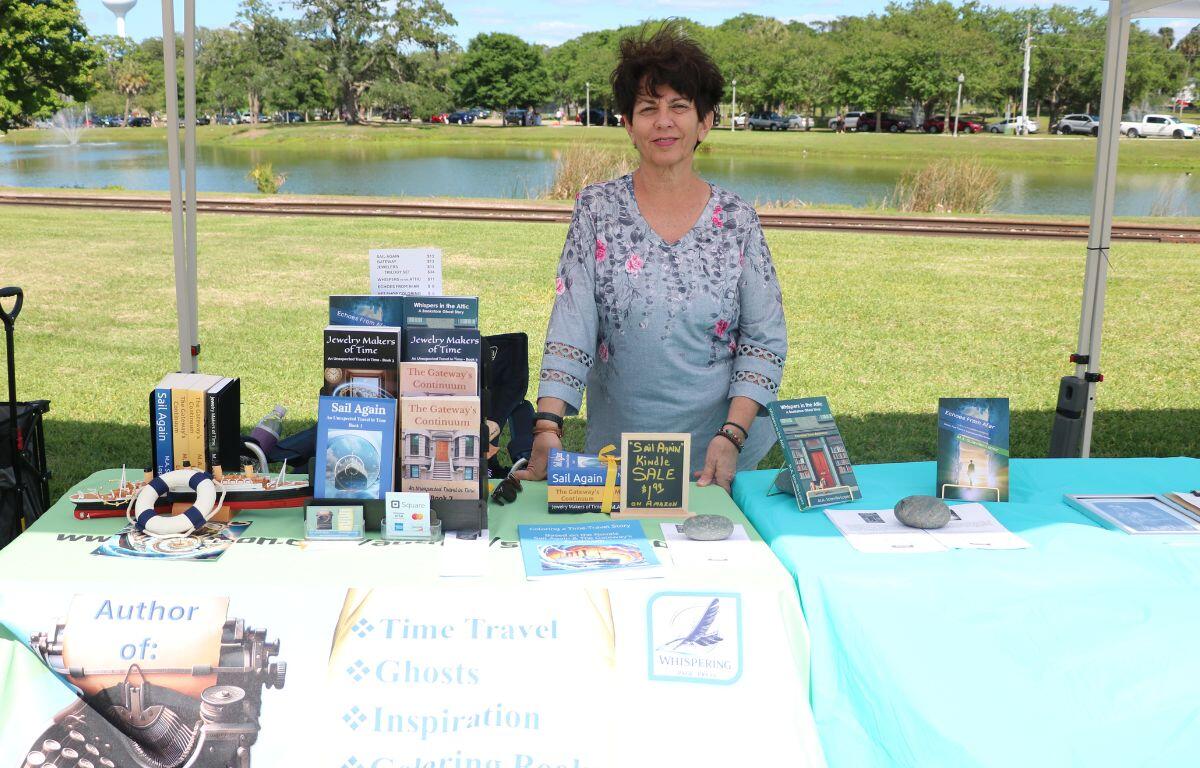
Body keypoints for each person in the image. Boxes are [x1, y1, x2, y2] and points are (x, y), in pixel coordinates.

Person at [513, 22, 787, 493]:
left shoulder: (737, 218)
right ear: (628, 125)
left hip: (719, 455)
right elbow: (572, 323)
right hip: (618, 455)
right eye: (647, 108)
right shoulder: (596, 209)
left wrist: (733, 434)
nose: (664, 121)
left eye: (680, 106)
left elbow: (763, 339)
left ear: (705, 121)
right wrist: (547, 426)